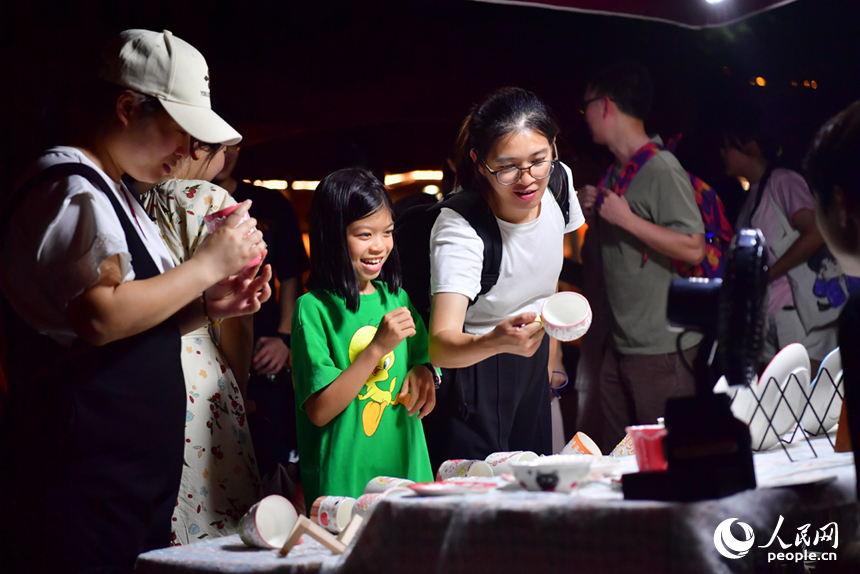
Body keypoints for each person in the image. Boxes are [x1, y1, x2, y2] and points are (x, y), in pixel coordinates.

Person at [0, 29, 271, 573]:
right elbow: (99, 317)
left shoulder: (115, 189)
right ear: (127, 107)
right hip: (82, 481)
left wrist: (211, 306)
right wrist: (208, 264)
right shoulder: (69, 185)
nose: (191, 152)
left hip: (126, 481)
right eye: (181, 132)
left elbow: (132, 322)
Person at [425, 87, 585, 470]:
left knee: (535, 489)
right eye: (508, 166)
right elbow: (440, 346)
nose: (527, 179)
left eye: (538, 160)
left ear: (553, 148)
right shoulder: (460, 227)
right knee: (478, 502)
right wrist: (496, 340)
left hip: (531, 363)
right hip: (475, 372)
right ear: (479, 163)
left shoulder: (559, 184)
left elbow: (537, 272)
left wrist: (551, 351)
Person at [578, 63, 705, 453]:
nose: (584, 117)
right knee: (623, 461)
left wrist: (626, 220)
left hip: (660, 349)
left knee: (671, 461)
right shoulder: (618, 171)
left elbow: (693, 246)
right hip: (621, 344)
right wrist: (597, 214)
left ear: (605, 105)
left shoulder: (662, 168)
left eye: (586, 107)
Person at [290, 168, 435, 505]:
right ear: (332, 235)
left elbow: (424, 358)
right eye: (364, 234)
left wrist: (425, 371)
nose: (380, 246)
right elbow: (320, 411)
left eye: (387, 232)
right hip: (345, 480)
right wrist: (377, 349)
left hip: (406, 467)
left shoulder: (396, 297)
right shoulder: (312, 309)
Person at [142, 141, 261, 545]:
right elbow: (239, 322)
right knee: (218, 523)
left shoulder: (130, 198)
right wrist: (239, 388)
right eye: (223, 149)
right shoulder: (211, 200)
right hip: (202, 367)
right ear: (196, 148)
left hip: (144, 361)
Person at [212, 144, 309, 480]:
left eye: (231, 146)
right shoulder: (180, 202)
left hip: (261, 350)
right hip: (202, 346)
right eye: (212, 145)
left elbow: (291, 276)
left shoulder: (267, 205)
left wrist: (284, 339)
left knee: (270, 453)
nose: (223, 154)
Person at [722, 107, 836, 374]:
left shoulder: (782, 180)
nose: (722, 154)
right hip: (771, 318)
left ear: (750, 146)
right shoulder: (753, 195)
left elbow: (816, 232)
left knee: (807, 405)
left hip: (798, 318)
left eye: (727, 146)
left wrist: (766, 274)